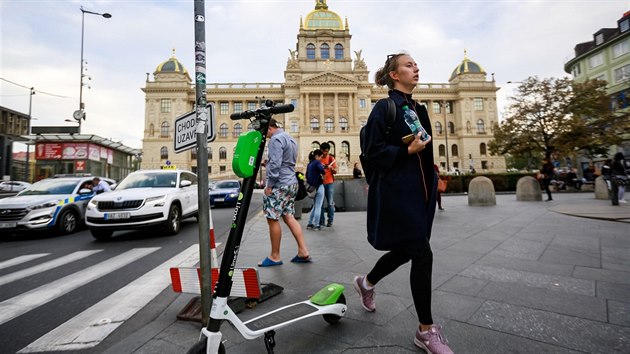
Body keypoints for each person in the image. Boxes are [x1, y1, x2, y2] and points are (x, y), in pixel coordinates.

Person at [353, 52, 453, 354]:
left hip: (420, 191)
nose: (417, 68)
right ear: (394, 75)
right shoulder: (384, 107)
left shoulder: (419, 108)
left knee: (407, 250)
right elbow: (372, 150)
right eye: (409, 65)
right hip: (398, 192)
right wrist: (404, 151)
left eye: (416, 64)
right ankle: (426, 331)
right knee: (422, 253)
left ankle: (367, 282)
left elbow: (425, 151)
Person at [259, 118, 311, 267]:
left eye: (263, 131)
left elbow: (276, 165)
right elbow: (285, 161)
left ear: (269, 128)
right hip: (291, 183)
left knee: (272, 218)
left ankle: (275, 256)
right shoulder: (290, 138)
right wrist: (267, 163)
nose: (263, 135)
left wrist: (269, 185)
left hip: (279, 184)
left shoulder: (275, 140)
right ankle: (303, 251)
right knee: (289, 216)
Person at [306, 149, 325, 231]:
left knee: (314, 206)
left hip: (312, 188)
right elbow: (322, 171)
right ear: (317, 156)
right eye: (321, 156)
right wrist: (323, 168)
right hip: (319, 187)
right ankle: (316, 225)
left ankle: (310, 223)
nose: (321, 158)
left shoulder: (309, 164)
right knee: (318, 206)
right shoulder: (317, 162)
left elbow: (307, 175)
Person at [318, 143, 337, 227]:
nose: (324, 153)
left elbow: (335, 172)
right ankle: (321, 221)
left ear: (328, 150)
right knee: (320, 203)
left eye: (326, 151)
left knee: (330, 203)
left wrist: (331, 168)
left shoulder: (331, 158)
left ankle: (330, 221)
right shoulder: (318, 158)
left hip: (329, 183)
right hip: (320, 183)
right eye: (323, 151)